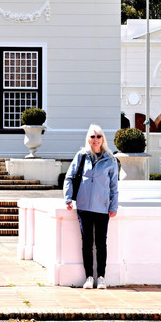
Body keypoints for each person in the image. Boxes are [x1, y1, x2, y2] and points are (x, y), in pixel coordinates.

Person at [63, 124, 119, 289]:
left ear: (103, 139)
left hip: (102, 207)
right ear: (88, 138)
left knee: (101, 243)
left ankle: (101, 277)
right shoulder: (81, 156)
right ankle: (89, 277)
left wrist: (113, 206)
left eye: (98, 136)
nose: (95, 140)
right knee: (87, 242)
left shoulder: (110, 159)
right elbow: (70, 177)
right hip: (84, 206)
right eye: (92, 136)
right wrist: (68, 198)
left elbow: (114, 186)